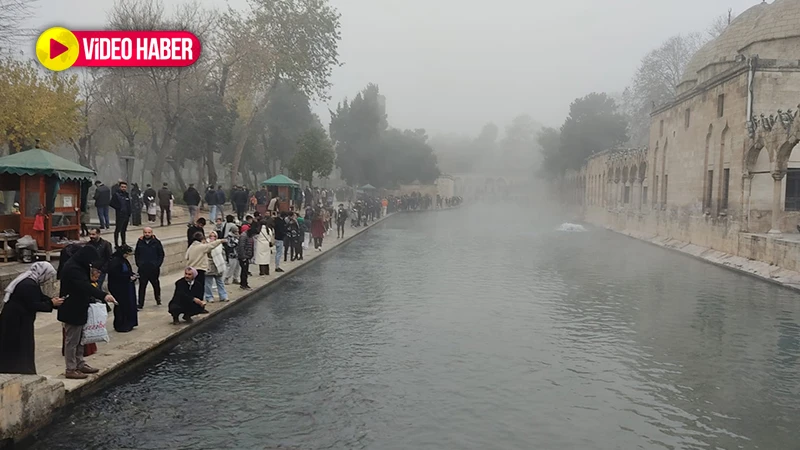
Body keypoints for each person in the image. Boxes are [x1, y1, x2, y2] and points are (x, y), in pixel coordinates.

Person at [58, 245, 116, 379]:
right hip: (71, 308)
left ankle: (80, 363)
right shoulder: (72, 268)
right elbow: (84, 285)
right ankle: (70, 368)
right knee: (72, 340)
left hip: (81, 306)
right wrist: (103, 295)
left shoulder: (80, 265)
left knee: (80, 339)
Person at [0, 262, 62, 374]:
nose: (46, 279)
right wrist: (50, 303)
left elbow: (39, 297)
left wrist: (52, 301)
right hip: (16, 320)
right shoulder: (28, 284)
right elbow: (33, 304)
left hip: (18, 318)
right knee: (19, 345)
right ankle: (19, 369)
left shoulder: (30, 281)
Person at [108, 245, 138, 333]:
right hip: (119, 287)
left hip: (126, 286)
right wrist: (128, 277)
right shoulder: (115, 261)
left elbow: (127, 271)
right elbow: (115, 275)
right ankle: (121, 325)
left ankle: (129, 323)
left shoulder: (123, 260)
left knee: (129, 305)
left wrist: (132, 275)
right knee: (121, 306)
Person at [135, 227, 164, 308]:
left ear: (151, 233)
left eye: (149, 232)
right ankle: (140, 303)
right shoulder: (140, 242)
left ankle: (158, 299)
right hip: (143, 268)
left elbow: (161, 254)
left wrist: (157, 264)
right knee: (142, 286)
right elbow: (137, 254)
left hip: (153, 269)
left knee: (155, 285)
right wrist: (139, 264)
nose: (147, 234)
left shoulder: (156, 242)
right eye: (145, 232)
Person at [204, 231, 228, 303]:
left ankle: (223, 296)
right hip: (209, 264)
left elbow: (222, 254)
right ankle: (209, 297)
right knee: (208, 283)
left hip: (218, 264)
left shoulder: (219, 244)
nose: (212, 238)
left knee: (220, 281)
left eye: (214, 236)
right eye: (211, 236)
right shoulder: (206, 244)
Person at [110, 181, 132, 248]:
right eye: (122, 187)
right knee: (118, 229)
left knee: (124, 230)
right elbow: (111, 203)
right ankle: (116, 244)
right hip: (120, 215)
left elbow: (129, 204)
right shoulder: (116, 195)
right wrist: (118, 208)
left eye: (125, 187)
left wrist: (129, 212)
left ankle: (123, 243)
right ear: (119, 187)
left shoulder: (127, 195)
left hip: (126, 215)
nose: (123, 188)